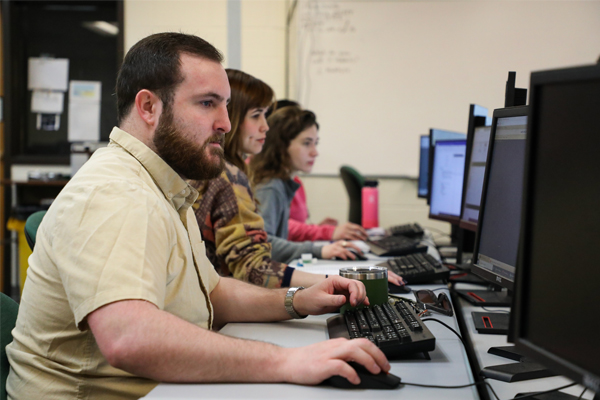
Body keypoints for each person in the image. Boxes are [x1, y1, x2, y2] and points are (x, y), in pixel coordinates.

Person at [5, 33, 390, 400]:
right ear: (149, 107)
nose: (225, 122)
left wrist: (297, 300)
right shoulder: (116, 193)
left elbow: (213, 292)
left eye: (225, 104)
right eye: (208, 103)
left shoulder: (166, 185)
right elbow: (129, 338)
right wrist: (286, 359)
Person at [188, 69, 357, 288]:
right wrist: (331, 282)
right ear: (233, 117)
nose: (265, 126)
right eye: (256, 115)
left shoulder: (212, 171)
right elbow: (253, 266)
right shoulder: (227, 176)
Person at [265, 100, 368, 243]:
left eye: (315, 143)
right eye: (307, 143)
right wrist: (323, 236)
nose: (315, 153)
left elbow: (283, 231)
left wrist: (315, 229)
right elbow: (269, 238)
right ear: (280, 140)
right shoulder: (267, 184)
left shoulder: (292, 181)